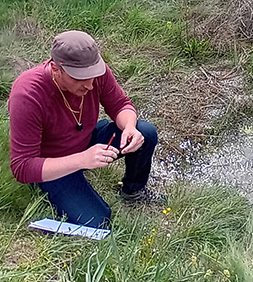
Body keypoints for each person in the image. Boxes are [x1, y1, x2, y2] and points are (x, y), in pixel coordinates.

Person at [9, 30, 161, 227]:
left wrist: (130, 127)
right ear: (56, 69)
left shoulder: (95, 74)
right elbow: (22, 167)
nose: (90, 85)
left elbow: (120, 105)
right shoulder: (28, 95)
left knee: (145, 133)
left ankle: (133, 191)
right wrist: (82, 160)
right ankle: (60, 188)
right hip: (51, 165)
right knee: (98, 222)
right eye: (80, 78)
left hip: (85, 141)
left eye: (93, 76)